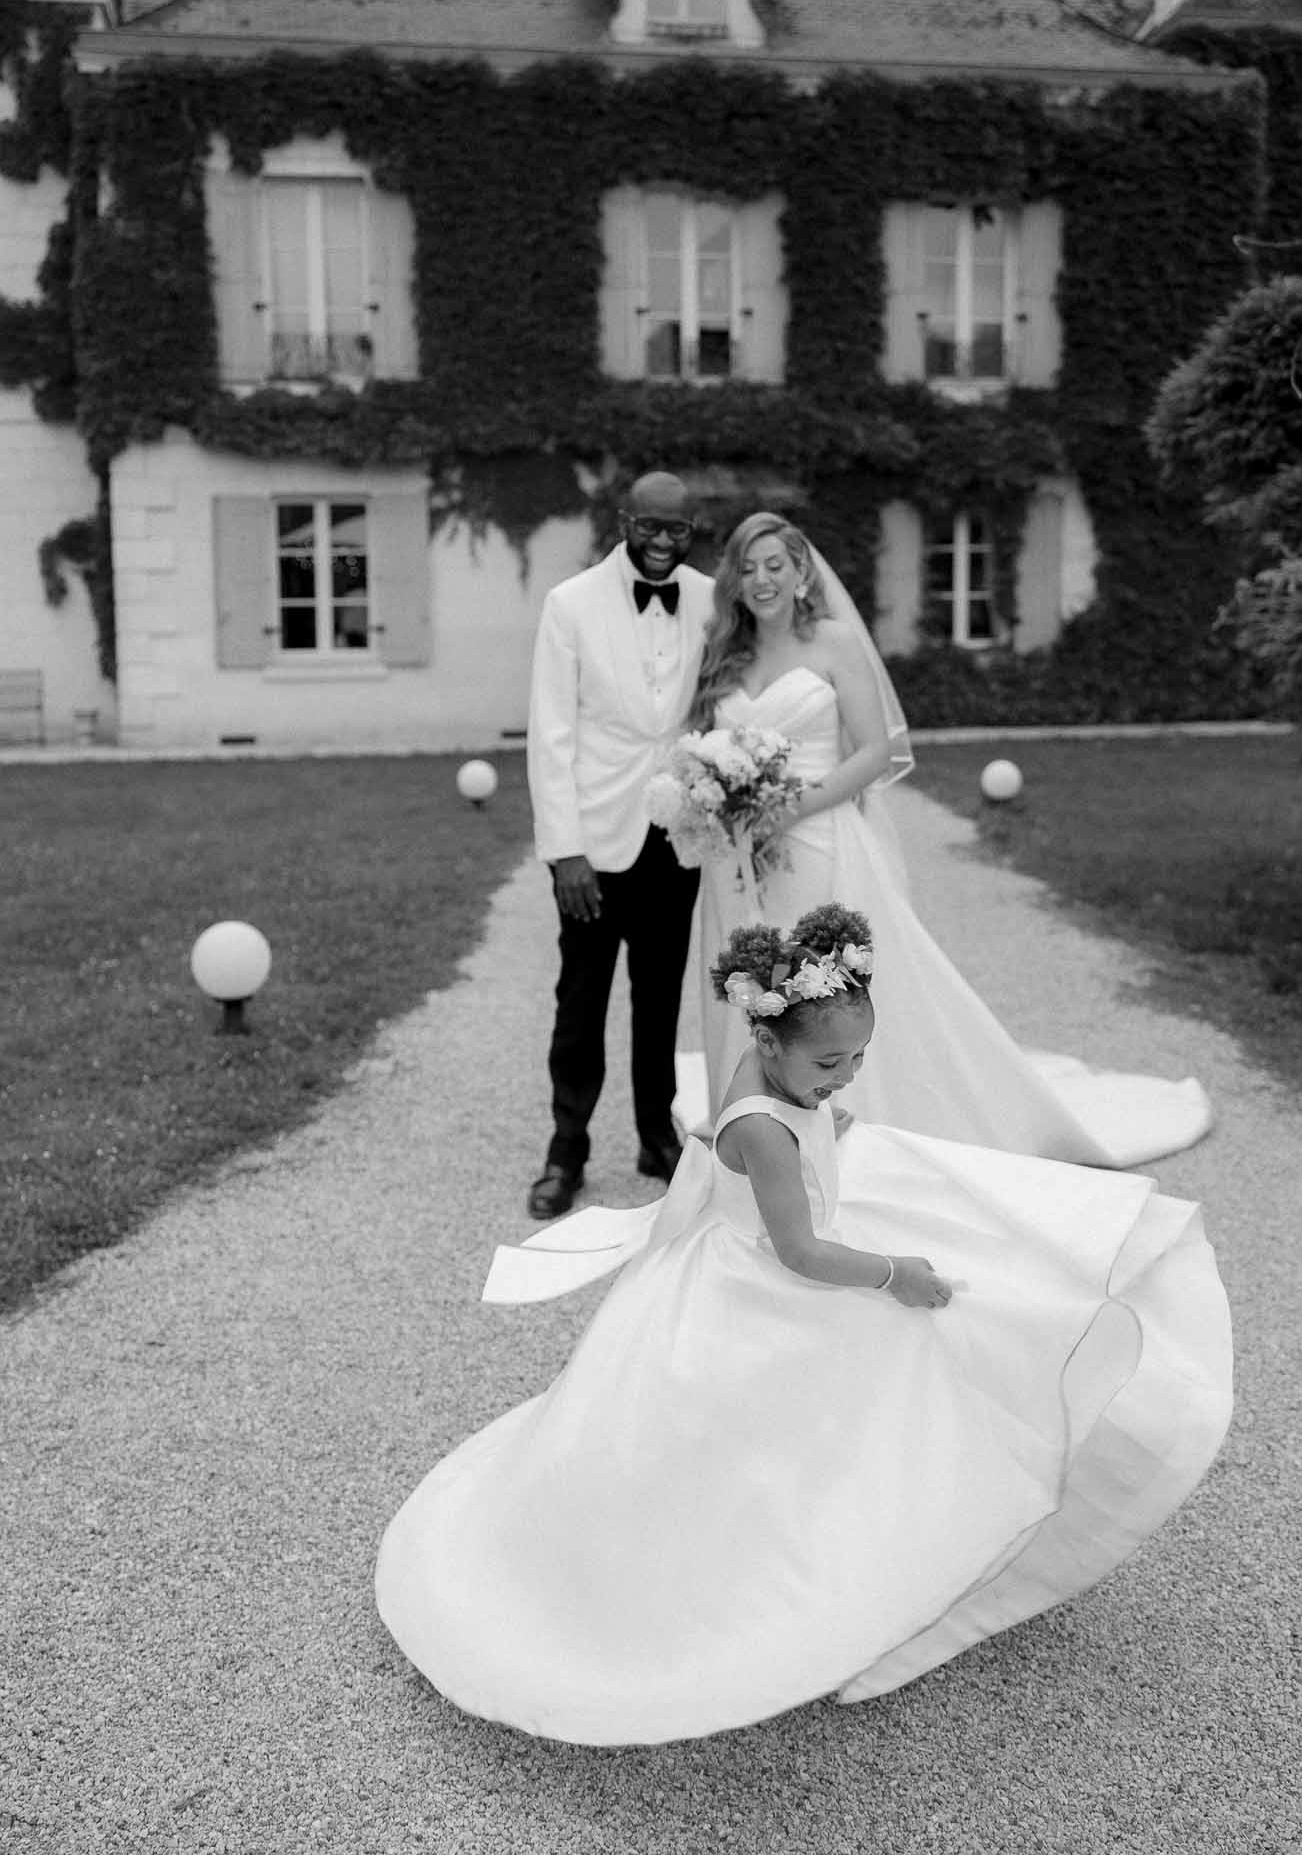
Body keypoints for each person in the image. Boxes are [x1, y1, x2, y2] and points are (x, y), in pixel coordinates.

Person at [374, 903, 1233, 1746]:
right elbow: (801, 1253)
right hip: (757, 1281)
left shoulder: (765, 1075)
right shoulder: (766, 1135)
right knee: (801, 1411)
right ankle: (781, 1588)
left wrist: (825, 1109)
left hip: (752, 1245)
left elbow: (792, 1122)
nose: (844, 1074)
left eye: (858, 1056)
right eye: (829, 1061)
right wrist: (896, 1274)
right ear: (769, 1039)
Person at [690, 512, 1213, 1167]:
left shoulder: (833, 641)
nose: (761, 578)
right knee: (745, 974)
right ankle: (753, 1127)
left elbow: (875, 751)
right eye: (747, 566)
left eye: (775, 565)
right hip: (735, 856)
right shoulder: (725, 652)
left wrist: (786, 809)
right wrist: (719, 804)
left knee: (817, 989)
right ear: (733, 579)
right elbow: (704, 749)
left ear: (800, 573)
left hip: (816, 842)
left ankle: (839, 1124)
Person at [524, 470, 714, 1220]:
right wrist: (563, 851)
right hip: (593, 845)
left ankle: (653, 1136)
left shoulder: (708, 598)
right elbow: (551, 731)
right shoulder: (569, 605)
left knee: (660, 996)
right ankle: (565, 1148)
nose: (662, 544)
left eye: (678, 531)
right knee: (580, 1000)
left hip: (676, 834)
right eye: (650, 527)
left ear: (691, 532)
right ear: (624, 520)